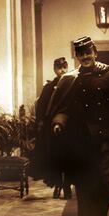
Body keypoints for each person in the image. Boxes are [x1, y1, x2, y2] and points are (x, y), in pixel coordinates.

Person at [44, 36, 109, 216]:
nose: (85, 57)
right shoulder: (71, 79)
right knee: (83, 187)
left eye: (88, 53)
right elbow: (64, 108)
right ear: (77, 56)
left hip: (107, 143)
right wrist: (59, 123)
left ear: (95, 52)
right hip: (81, 144)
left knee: (101, 185)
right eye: (81, 54)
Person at [32, 57, 72, 199]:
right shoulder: (48, 88)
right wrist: (42, 123)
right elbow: (41, 107)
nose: (61, 71)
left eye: (64, 67)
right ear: (54, 70)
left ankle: (67, 186)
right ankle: (57, 185)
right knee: (54, 158)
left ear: (67, 68)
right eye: (58, 68)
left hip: (69, 130)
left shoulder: (73, 85)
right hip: (52, 131)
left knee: (68, 159)